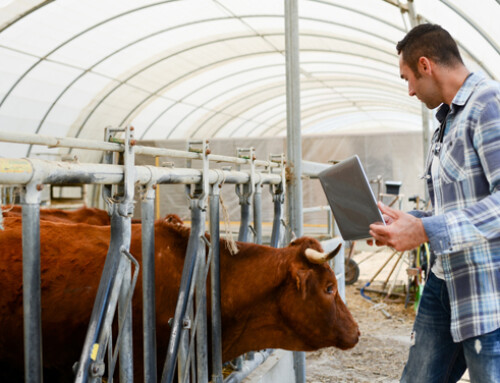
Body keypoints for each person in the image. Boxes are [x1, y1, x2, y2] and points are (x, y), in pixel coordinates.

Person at [369, 24, 500, 383]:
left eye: (407, 78)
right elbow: (452, 208)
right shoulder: (447, 121)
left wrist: (427, 229)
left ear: (426, 65)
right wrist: (406, 221)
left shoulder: (488, 104)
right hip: (445, 280)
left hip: (487, 293)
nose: (409, 91)